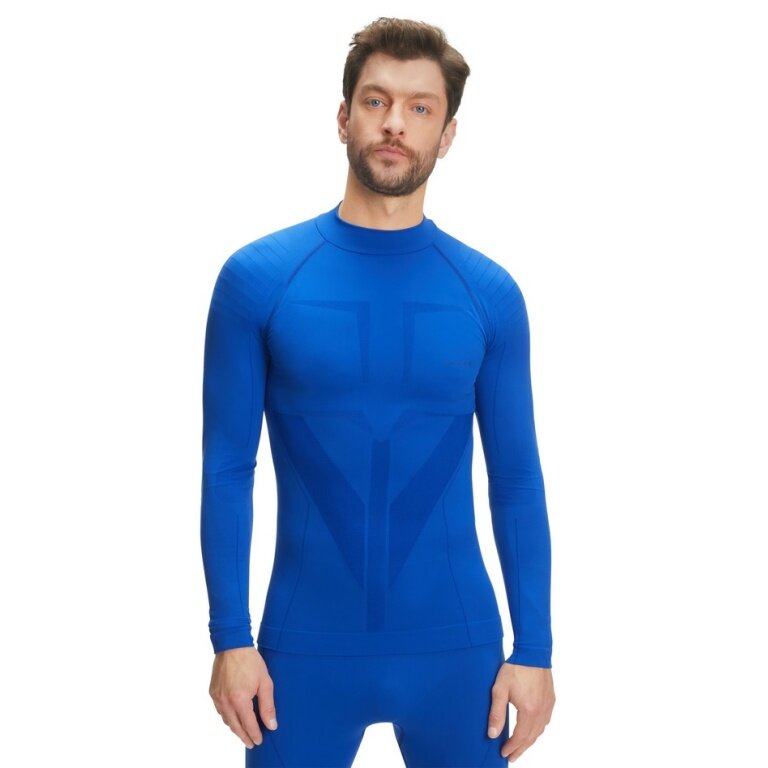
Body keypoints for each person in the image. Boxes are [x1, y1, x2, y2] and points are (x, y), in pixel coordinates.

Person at [200, 16, 555, 767]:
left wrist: (536, 649)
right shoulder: (258, 280)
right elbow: (228, 467)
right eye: (376, 100)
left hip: (458, 655)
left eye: (420, 107)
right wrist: (230, 638)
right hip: (299, 657)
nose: (395, 123)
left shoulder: (489, 294)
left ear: (447, 135)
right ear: (343, 117)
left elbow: (517, 478)